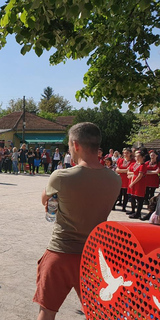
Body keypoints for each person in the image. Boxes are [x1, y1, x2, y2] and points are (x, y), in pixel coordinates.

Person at [34, 122, 121, 320]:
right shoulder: (115, 179)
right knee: (98, 313)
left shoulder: (62, 176)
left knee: (46, 312)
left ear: (76, 145)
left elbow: (44, 200)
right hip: (94, 255)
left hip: (61, 252)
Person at [127, 149, 148, 219]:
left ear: (142, 157)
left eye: (139, 156)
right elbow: (129, 172)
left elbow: (139, 176)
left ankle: (138, 213)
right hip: (134, 181)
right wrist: (133, 175)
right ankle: (134, 211)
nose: (137, 158)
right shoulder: (135, 164)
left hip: (139, 183)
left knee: (139, 198)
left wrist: (133, 182)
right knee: (133, 197)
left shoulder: (143, 165)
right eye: (136, 156)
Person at [141, 150, 159, 221]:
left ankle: (150, 210)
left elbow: (157, 171)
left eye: (154, 155)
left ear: (156, 156)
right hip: (147, 181)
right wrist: (153, 172)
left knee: (152, 195)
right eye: (151, 155)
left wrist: (148, 172)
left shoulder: (158, 163)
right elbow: (143, 171)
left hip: (154, 181)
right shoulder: (146, 163)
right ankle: (149, 208)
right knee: (146, 195)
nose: (152, 156)